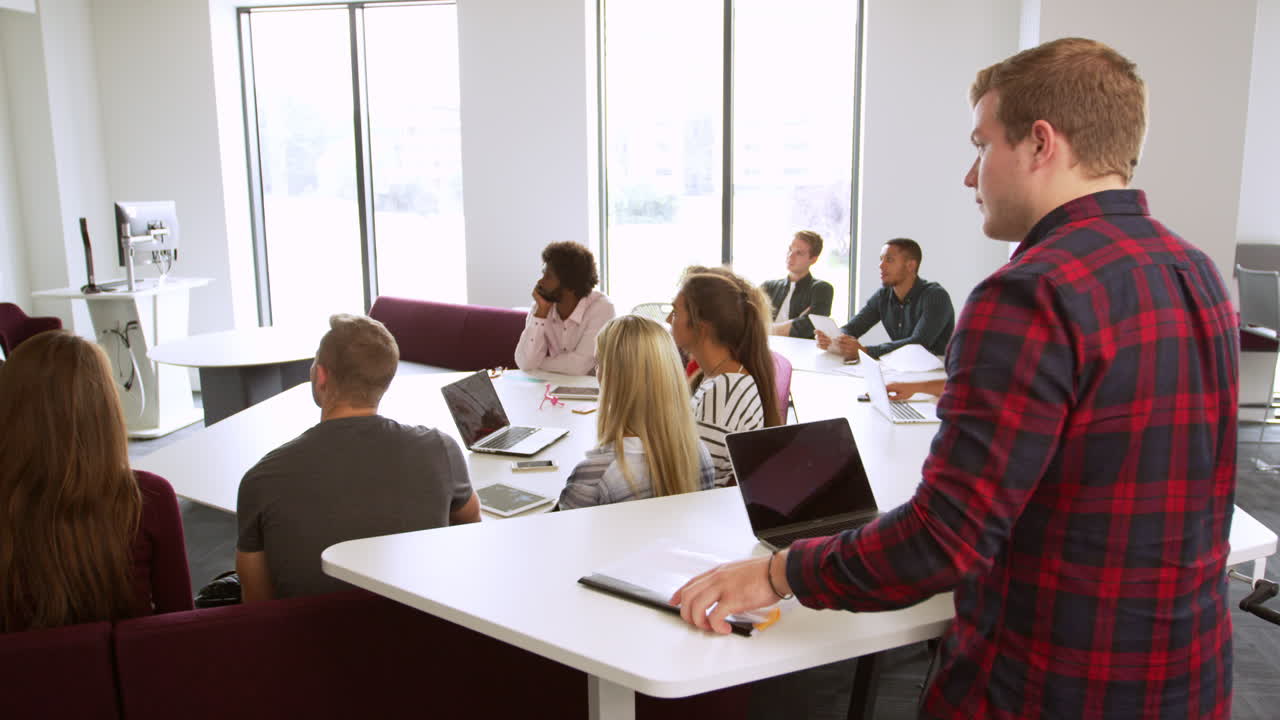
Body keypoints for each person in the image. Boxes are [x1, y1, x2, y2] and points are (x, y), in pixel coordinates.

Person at [673, 37, 1238, 719]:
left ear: (1039, 144)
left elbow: (945, 540)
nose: (971, 177)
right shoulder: (1196, 272)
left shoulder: (1028, 295)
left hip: (1046, 687)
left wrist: (777, 572)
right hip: (1188, 676)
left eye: (982, 145)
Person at [237, 314, 481, 601]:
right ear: (386, 380)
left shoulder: (263, 478)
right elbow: (471, 529)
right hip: (421, 633)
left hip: (308, 641)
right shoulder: (440, 449)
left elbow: (256, 600)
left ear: (322, 376)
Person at [0, 330, 192, 632]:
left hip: (20, 677)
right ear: (105, 407)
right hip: (129, 674)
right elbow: (179, 622)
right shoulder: (149, 496)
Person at [557, 315, 715, 510]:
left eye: (598, 363)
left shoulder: (592, 478)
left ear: (610, 377)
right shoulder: (699, 453)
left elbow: (565, 539)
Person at [670, 268, 782, 486]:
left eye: (675, 313)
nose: (668, 319)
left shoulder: (723, 394)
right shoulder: (718, 376)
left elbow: (690, 481)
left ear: (701, 329)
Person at [815, 238, 955, 359]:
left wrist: (866, 351)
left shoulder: (936, 296)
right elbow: (853, 327)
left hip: (937, 372)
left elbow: (918, 344)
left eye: (889, 260)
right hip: (901, 368)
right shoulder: (883, 295)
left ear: (911, 265)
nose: (881, 266)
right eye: (881, 259)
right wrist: (835, 339)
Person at [514, 241, 616, 375]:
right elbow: (525, 363)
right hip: (555, 386)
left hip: (594, 389)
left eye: (548, 276)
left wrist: (539, 362)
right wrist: (541, 314)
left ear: (569, 285)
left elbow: (579, 367)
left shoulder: (602, 308)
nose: (540, 282)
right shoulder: (542, 306)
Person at [761, 230, 834, 339]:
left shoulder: (821, 289)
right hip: (766, 348)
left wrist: (764, 328)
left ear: (813, 259)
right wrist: (794, 322)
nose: (790, 256)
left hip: (799, 352)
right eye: (790, 249)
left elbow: (805, 328)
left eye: (799, 253)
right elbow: (747, 320)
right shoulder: (769, 286)